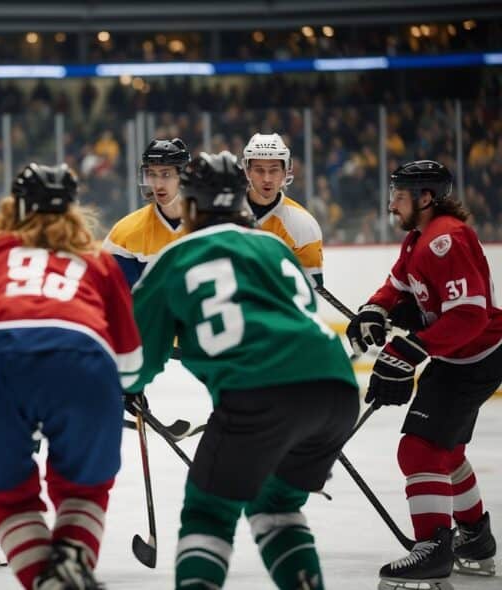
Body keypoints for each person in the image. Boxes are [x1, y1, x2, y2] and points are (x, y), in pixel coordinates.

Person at [124, 151, 359, 590]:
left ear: (190, 206)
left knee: (207, 512)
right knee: (276, 506)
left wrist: (126, 387)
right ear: (241, 204)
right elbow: (302, 310)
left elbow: (138, 358)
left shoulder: (173, 259)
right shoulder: (274, 246)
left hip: (259, 394)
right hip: (337, 387)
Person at [0, 163, 142, 589]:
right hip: (82, 358)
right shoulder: (97, 260)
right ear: (71, 210)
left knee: (7, 496)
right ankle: (71, 560)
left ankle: (47, 583)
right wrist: (125, 389)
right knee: (85, 488)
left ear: (14, 206)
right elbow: (131, 360)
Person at [346, 160, 500, 589]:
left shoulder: (445, 241)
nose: (391, 203)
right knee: (446, 453)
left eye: (399, 195)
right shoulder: (419, 239)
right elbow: (396, 286)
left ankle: (433, 548)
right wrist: (373, 310)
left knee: (419, 451)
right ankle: (475, 542)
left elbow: (470, 314)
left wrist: (411, 348)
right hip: (461, 358)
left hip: (472, 359)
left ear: (426, 197)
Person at [103, 137, 190, 287]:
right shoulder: (124, 234)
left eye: (166, 174)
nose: (157, 184)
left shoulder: (207, 226)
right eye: (152, 174)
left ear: (183, 177)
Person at [242, 133, 325, 286]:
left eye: (274, 170)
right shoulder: (223, 214)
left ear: (285, 172)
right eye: (259, 170)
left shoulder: (303, 225)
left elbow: (309, 293)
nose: (267, 178)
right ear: (247, 172)